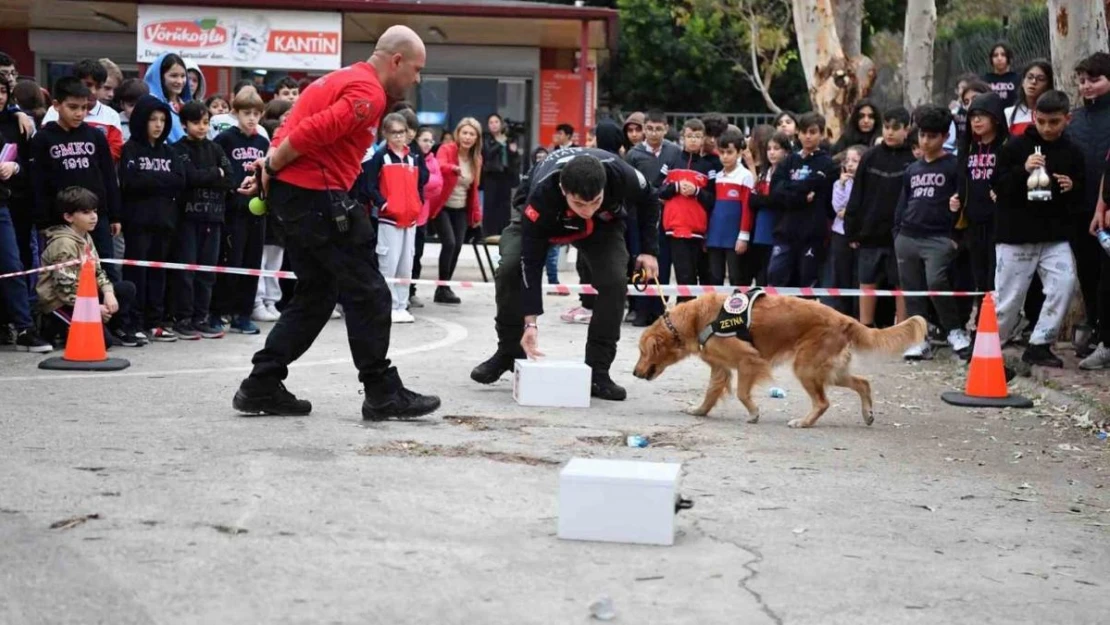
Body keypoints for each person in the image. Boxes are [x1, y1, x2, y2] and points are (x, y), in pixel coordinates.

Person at [232, 25, 440, 421]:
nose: (416, 79)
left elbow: (291, 124)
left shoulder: (340, 78)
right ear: (396, 60)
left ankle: (261, 385)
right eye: (415, 69)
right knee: (370, 291)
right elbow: (309, 132)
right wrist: (271, 167)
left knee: (316, 296)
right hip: (318, 199)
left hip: (298, 197)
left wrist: (268, 169)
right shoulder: (368, 93)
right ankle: (382, 392)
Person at [469, 148, 661, 401]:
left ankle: (598, 371)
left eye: (595, 201)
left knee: (614, 281)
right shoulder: (542, 193)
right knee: (510, 269)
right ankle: (508, 352)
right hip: (546, 221)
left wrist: (649, 251)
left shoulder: (621, 174)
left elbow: (650, 199)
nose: (588, 209)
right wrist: (530, 323)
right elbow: (531, 262)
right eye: (580, 203)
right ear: (563, 190)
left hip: (603, 228)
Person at [993, 90, 1083, 367]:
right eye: (1042, 121)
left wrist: (1071, 187)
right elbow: (998, 186)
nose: (1047, 128)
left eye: (1054, 122)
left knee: (1064, 283)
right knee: (1009, 299)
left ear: (1066, 119)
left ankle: (1040, 343)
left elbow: (1080, 190)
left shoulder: (1072, 150)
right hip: (1017, 236)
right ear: (1034, 117)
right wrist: (1023, 170)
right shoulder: (1015, 147)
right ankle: (989, 344)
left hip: (1054, 236)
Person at [893, 104, 968, 360]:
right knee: (912, 289)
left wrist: (954, 238)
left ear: (945, 137)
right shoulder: (912, 169)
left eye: (932, 136)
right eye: (922, 135)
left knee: (936, 283)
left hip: (939, 238)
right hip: (908, 237)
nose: (926, 141)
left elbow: (963, 201)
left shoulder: (954, 165)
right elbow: (903, 203)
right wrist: (897, 234)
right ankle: (919, 339)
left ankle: (955, 330)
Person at [30, 77, 120, 277]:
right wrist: (43, 221)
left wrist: (114, 215)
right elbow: (38, 183)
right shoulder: (43, 139)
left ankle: (107, 308)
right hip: (60, 220)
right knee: (66, 273)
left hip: (96, 217)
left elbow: (108, 176)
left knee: (105, 269)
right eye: (73, 107)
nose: (80, 113)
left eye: (84, 107)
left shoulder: (95, 136)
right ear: (56, 105)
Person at [119, 95, 185, 343]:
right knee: (137, 274)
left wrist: (151, 181)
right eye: (152, 119)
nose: (158, 125)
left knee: (159, 275)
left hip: (165, 224)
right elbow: (131, 182)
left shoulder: (171, 151)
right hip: (137, 223)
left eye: (162, 119)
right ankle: (132, 322)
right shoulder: (130, 149)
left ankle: (155, 321)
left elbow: (180, 181)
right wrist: (160, 182)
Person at [37, 187, 138, 347]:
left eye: (95, 211)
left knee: (126, 288)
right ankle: (52, 327)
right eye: (86, 212)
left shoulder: (86, 237)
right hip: (60, 303)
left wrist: (108, 292)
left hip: (83, 296)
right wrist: (93, 308)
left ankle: (111, 326)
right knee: (102, 344)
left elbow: (97, 270)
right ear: (68, 217)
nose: (93, 217)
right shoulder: (64, 244)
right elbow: (64, 289)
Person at [845, 107, 914, 328]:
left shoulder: (912, 158)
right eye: (886, 127)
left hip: (900, 236)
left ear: (907, 129)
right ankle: (865, 328)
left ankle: (902, 330)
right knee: (867, 282)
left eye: (896, 128)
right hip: (870, 234)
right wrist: (852, 228)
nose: (890, 132)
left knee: (901, 285)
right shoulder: (870, 156)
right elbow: (857, 194)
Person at [172, 101, 233, 340]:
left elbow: (230, 178)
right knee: (187, 270)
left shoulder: (216, 149)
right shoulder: (179, 149)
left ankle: (201, 317)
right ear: (185, 124)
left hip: (215, 217)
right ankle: (184, 318)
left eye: (206, 122)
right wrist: (213, 173)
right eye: (196, 123)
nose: (202, 127)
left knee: (207, 271)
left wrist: (211, 175)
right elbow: (188, 178)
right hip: (188, 218)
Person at [212, 88, 270, 335]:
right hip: (233, 210)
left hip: (257, 211)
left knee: (252, 262)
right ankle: (217, 312)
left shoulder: (263, 142)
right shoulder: (225, 140)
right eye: (246, 113)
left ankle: (243, 314)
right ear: (235, 113)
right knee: (230, 262)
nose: (251, 118)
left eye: (256, 113)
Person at [0, 84, 51, 353]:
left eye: (1, 91)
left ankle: (23, 327)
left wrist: (15, 166)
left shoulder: (16, 122)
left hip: (4, 204)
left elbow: (29, 164)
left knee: (13, 265)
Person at [362, 112, 426, 323]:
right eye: (394, 133)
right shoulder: (380, 157)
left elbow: (420, 183)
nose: (399, 137)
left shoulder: (413, 158)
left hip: (411, 220)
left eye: (402, 132)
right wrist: (384, 204)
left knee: (406, 265)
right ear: (386, 134)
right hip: (389, 219)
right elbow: (369, 186)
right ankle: (386, 306)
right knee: (388, 264)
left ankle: (401, 304)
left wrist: (418, 203)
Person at [1068, 52, 1110, 360]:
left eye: (1095, 80)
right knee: (1088, 270)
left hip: (1107, 209)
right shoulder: (1074, 119)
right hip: (1080, 210)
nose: (1088, 87)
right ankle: (1095, 324)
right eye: (1083, 81)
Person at [624, 109, 683, 326]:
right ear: (644, 129)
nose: (654, 133)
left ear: (666, 129)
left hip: (666, 215)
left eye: (659, 129)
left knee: (662, 262)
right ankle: (640, 309)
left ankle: (660, 309)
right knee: (639, 261)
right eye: (649, 128)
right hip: (639, 217)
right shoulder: (633, 155)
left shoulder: (675, 152)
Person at [767, 112, 836, 287]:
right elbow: (776, 192)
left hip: (812, 234)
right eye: (804, 131)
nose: (807, 136)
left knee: (806, 282)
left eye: (813, 132)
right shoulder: (789, 161)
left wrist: (792, 188)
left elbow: (820, 186)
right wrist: (803, 196)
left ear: (821, 134)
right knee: (776, 275)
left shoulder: (827, 163)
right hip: (785, 232)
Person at [953, 92, 1006, 321]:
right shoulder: (968, 148)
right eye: (973, 115)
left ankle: (997, 322)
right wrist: (957, 197)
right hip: (972, 221)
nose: (976, 120)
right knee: (978, 274)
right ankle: (980, 322)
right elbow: (961, 179)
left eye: (982, 115)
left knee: (996, 275)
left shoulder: (1006, 146)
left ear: (995, 118)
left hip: (999, 222)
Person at [661, 118, 715, 300]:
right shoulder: (671, 161)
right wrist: (675, 187)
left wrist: (697, 191)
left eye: (697, 136)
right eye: (689, 136)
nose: (693, 140)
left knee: (704, 277)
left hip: (699, 231)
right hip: (674, 229)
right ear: (683, 137)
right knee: (684, 277)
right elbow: (656, 191)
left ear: (703, 139)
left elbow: (713, 199)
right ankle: (683, 317)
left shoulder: (709, 166)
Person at [430, 117, 482, 305]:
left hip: (461, 208)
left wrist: (476, 213)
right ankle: (442, 286)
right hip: (442, 205)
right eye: (465, 133)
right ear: (458, 134)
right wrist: (453, 168)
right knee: (449, 243)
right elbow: (439, 165)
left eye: (472, 134)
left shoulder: (477, 158)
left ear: (477, 138)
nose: (468, 137)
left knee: (458, 245)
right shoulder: (447, 149)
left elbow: (474, 189)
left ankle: (444, 288)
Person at [42, 59, 124, 162]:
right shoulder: (55, 110)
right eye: (88, 85)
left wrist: (88, 164)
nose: (93, 91)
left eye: (99, 87)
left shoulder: (111, 115)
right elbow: (45, 144)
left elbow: (115, 150)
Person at [705, 128, 755, 286]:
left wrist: (743, 236)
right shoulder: (717, 177)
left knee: (736, 277)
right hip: (715, 235)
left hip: (734, 236)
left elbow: (747, 208)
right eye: (721, 152)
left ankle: (736, 310)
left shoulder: (745, 176)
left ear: (739, 152)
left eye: (729, 152)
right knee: (715, 277)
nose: (725, 156)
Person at [825, 145, 865, 315]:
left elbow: (859, 209)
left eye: (855, 161)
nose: (850, 164)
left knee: (858, 277)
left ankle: (858, 314)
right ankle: (842, 313)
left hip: (858, 234)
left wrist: (848, 212)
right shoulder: (840, 183)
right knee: (841, 275)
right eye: (847, 161)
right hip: (840, 233)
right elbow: (837, 207)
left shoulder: (867, 184)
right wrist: (841, 185)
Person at [410, 126, 444, 309]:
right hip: (406, 214)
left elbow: (438, 185)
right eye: (425, 140)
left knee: (417, 255)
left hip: (422, 216)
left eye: (431, 141)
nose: (428, 144)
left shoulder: (432, 160)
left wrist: (420, 183)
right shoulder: (412, 157)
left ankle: (412, 290)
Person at [743, 124, 776, 283]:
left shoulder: (770, 167)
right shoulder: (742, 162)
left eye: (752, 137)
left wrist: (751, 166)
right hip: (746, 223)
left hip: (762, 226)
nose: (748, 140)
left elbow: (756, 192)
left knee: (763, 270)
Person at [481, 113, 520, 238]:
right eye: (491, 122)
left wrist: (513, 151)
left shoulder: (509, 139)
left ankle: (503, 232)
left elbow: (515, 159)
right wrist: (499, 143)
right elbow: (487, 154)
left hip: (506, 176)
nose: (493, 125)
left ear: (501, 123)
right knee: (490, 205)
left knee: (504, 205)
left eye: (496, 122)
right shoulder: (486, 139)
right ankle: (489, 233)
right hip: (491, 175)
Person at [142, 53, 190, 142]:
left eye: (183, 76)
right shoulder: (151, 107)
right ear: (160, 77)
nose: (180, 81)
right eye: (174, 76)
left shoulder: (188, 106)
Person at [1005, 60, 1054, 137]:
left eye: (1040, 79)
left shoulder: (1054, 113)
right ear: (1022, 82)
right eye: (1030, 77)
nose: (1033, 82)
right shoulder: (1009, 113)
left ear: (1049, 85)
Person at [983, 42, 1020, 109]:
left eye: (1003, 55)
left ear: (1008, 57)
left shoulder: (1018, 78)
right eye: (995, 55)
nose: (999, 58)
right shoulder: (985, 80)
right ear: (991, 59)